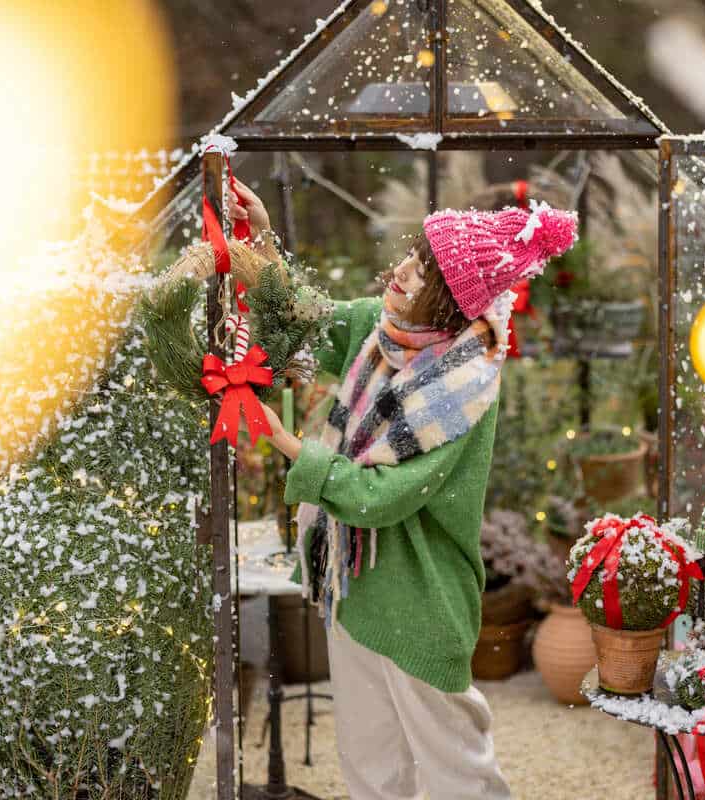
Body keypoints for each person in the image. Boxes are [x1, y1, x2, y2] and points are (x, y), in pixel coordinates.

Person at [228, 181, 577, 800]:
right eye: (415, 257)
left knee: (458, 775)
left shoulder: (464, 389)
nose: (404, 272)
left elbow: (383, 496)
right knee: (370, 769)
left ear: (451, 305)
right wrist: (259, 240)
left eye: (426, 274)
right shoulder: (379, 330)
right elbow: (306, 319)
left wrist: (290, 448)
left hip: (422, 602)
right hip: (355, 587)